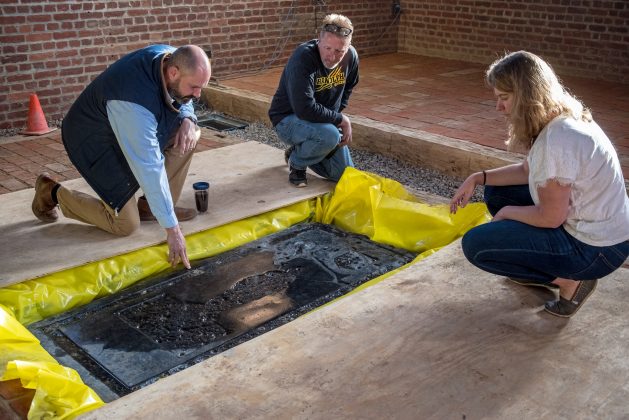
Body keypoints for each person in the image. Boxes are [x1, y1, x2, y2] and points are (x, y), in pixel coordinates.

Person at [450, 51, 629, 318]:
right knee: (498, 192)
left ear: (526, 96)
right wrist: (477, 177)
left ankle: (570, 280)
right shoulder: (561, 118)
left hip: (596, 250)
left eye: (504, 98)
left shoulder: (557, 141)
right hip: (606, 233)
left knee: (477, 245)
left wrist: (506, 214)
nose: (499, 107)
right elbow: (527, 170)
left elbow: (551, 217)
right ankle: (543, 266)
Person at [31, 44, 212, 269]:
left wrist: (188, 118)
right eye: (194, 87)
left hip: (124, 125)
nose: (198, 94)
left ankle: (151, 208)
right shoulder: (133, 101)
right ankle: (52, 192)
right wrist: (172, 230)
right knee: (125, 224)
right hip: (94, 138)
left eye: (201, 87)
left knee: (189, 134)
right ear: (173, 73)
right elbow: (149, 166)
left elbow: (186, 101)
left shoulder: (175, 58)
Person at [268, 13, 359, 187]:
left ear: (348, 47)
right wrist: (340, 120)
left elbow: (348, 87)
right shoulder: (303, 58)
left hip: (320, 122)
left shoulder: (351, 57)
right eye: (327, 48)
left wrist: (334, 116)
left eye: (339, 51)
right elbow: (304, 109)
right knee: (330, 135)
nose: (332, 56)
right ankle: (297, 163)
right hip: (288, 119)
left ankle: (302, 150)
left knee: (344, 174)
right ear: (319, 40)